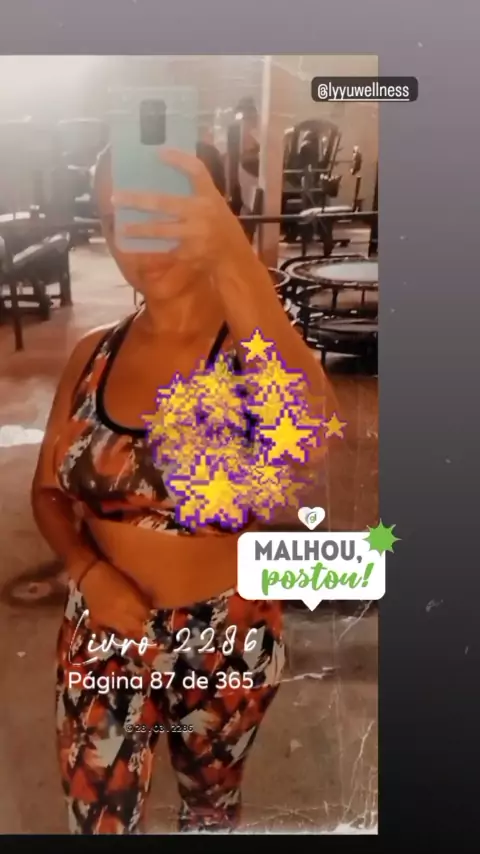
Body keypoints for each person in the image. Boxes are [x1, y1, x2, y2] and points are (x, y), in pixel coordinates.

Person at [32, 140, 331, 835]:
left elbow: (311, 434)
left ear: (211, 211)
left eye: (160, 209)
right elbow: (47, 495)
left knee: (210, 812)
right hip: (103, 629)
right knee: (97, 822)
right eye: (118, 220)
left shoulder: (253, 351)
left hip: (229, 638)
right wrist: (88, 572)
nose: (139, 241)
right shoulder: (91, 355)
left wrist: (232, 255)